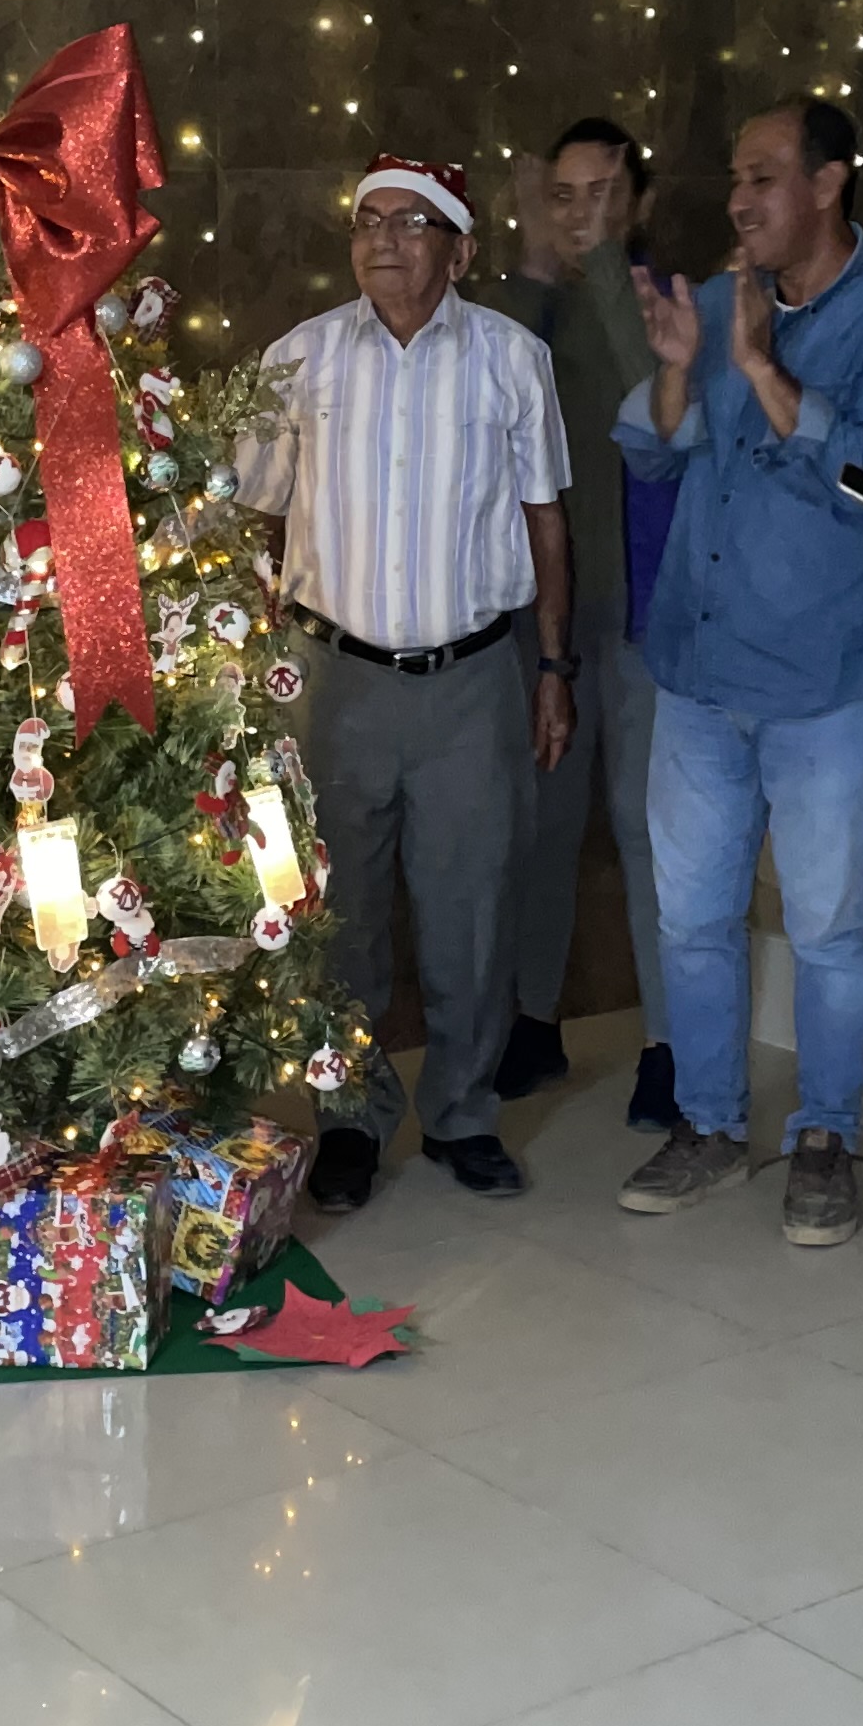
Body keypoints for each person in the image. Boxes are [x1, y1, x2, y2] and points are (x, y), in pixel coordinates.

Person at [612, 100, 863, 1247]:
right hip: (699, 672)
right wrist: (678, 372)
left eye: (763, 177)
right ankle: (707, 1125)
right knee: (692, 917)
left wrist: (756, 366)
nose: (739, 200)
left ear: (830, 183)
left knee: (830, 926)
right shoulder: (712, 301)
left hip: (827, 679)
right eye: (734, 179)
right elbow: (652, 454)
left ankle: (825, 1137)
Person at [236, 154, 574, 1213]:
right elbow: (254, 511)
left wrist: (552, 667)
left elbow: (545, 520)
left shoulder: (511, 359)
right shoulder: (298, 359)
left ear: (459, 250)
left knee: (472, 909)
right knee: (340, 915)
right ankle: (351, 1120)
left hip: (471, 681)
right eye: (367, 221)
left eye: (410, 222)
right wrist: (257, 655)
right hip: (332, 681)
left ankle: (464, 1115)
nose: (382, 239)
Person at [486, 120, 675, 1125]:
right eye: (563, 196)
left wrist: (600, 260)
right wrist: (531, 260)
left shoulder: (668, 303)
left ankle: (667, 1045)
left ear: (639, 204)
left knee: (647, 831)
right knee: (540, 825)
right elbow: (487, 397)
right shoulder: (523, 308)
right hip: (542, 617)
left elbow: (646, 387)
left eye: (601, 194)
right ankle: (531, 1020)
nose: (579, 214)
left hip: (643, 614)